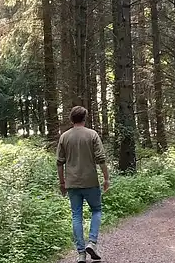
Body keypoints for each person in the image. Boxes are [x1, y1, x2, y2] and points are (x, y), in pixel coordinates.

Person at [57, 106, 110, 263]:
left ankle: (81, 253)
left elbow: (59, 162)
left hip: (72, 183)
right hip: (91, 181)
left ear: (71, 119)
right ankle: (92, 243)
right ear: (84, 118)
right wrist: (106, 178)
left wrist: (62, 182)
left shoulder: (64, 137)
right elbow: (101, 158)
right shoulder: (92, 134)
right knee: (97, 210)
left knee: (76, 215)